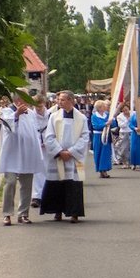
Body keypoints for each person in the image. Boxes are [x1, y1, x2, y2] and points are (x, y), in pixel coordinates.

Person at [40, 90, 91, 223]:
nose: (59, 102)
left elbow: (85, 137)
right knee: (57, 183)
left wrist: (72, 152)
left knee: (74, 184)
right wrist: (59, 151)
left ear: (71, 101)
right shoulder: (54, 116)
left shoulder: (81, 118)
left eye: (62, 100)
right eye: (59, 100)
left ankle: (74, 213)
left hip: (74, 158)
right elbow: (49, 136)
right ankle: (58, 211)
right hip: (59, 156)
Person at [0, 92, 46, 225]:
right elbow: (8, 127)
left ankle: (23, 213)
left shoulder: (30, 113)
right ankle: (7, 214)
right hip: (12, 154)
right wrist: (16, 114)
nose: (28, 101)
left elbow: (35, 130)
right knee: (10, 182)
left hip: (27, 154)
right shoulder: (7, 111)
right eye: (25, 98)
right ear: (18, 100)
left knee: (27, 184)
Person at [90, 99, 116, 178]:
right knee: (98, 153)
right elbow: (95, 126)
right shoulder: (94, 116)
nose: (106, 107)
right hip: (98, 137)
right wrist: (106, 123)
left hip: (106, 136)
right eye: (104, 106)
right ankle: (101, 170)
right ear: (100, 107)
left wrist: (112, 121)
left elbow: (113, 125)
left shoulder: (107, 115)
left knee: (106, 153)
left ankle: (104, 170)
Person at [113, 102, 131, 168]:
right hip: (124, 132)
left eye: (127, 110)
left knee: (131, 148)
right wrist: (127, 120)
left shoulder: (133, 113)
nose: (126, 111)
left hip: (131, 131)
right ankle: (124, 162)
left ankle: (131, 162)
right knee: (123, 148)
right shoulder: (119, 116)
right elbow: (121, 125)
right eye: (124, 110)